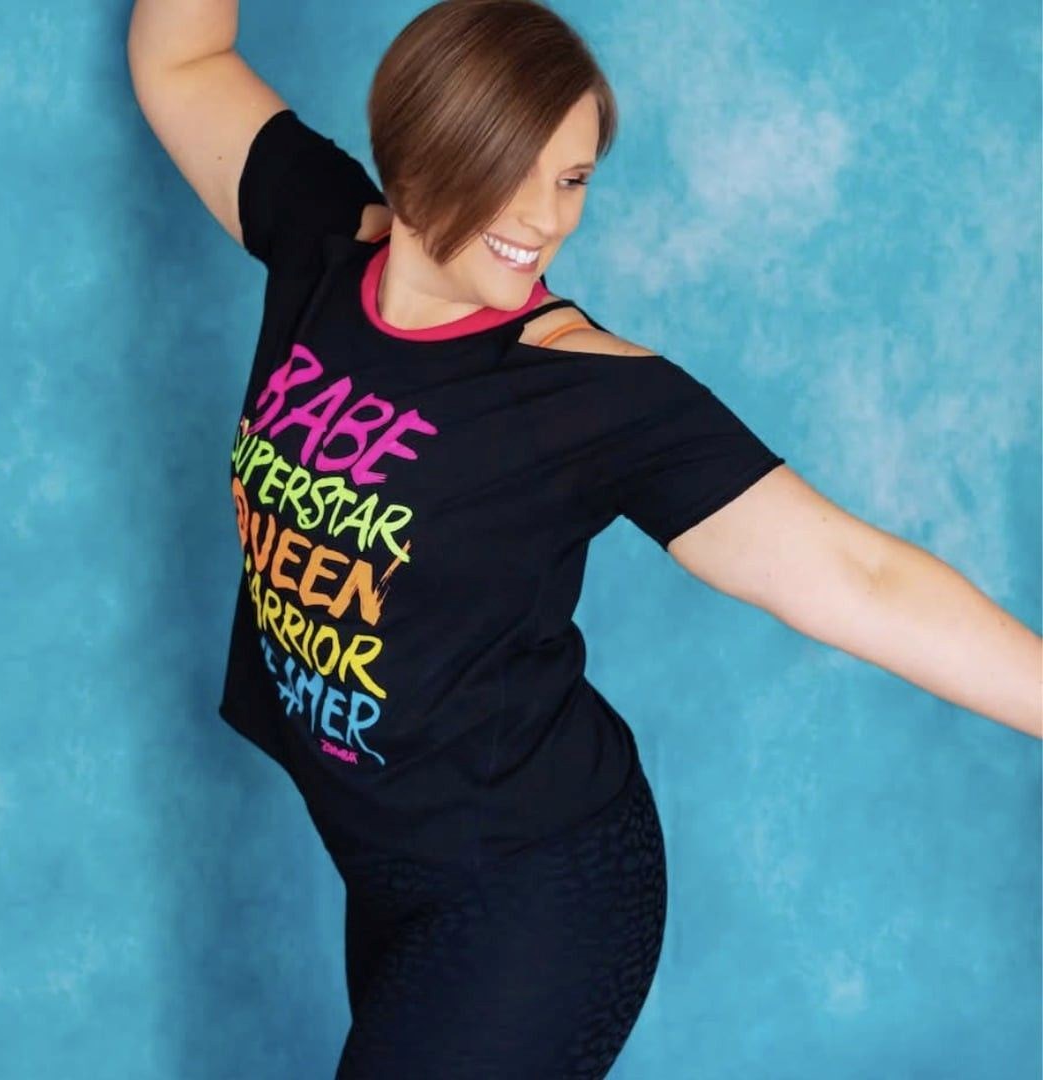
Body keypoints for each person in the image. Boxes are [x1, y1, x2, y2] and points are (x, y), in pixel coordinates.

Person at [127, 0, 1043, 1075]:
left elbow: (860, 577)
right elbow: (182, 56)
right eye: (512, 173)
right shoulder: (323, 237)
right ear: (416, 154)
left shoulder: (588, 391)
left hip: (539, 889)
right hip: (388, 867)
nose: (548, 220)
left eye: (571, 178)